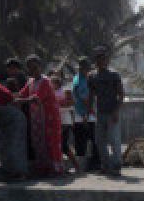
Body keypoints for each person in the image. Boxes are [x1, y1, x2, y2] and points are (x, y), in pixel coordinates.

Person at [16, 55, 64, 176]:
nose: (33, 70)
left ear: (40, 67)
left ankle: (56, 169)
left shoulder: (46, 82)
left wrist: (20, 101)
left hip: (49, 118)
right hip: (37, 119)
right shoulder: (31, 81)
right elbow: (22, 94)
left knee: (51, 143)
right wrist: (7, 96)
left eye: (35, 67)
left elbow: (36, 98)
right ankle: (44, 168)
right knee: (38, 143)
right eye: (30, 68)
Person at [89, 46, 125, 175]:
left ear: (107, 59)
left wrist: (116, 111)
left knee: (114, 139)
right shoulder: (92, 76)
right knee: (99, 141)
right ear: (95, 60)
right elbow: (91, 94)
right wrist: (89, 110)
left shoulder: (114, 75)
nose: (101, 60)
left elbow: (121, 94)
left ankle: (116, 166)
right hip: (100, 112)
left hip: (111, 112)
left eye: (103, 58)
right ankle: (105, 165)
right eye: (98, 58)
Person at [70, 57, 97, 170]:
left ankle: (92, 164)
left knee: (91, 140)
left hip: (87, 114)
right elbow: (84, 98)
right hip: (83, 114)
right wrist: (88, 112)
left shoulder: (86, 78)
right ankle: (82, 165)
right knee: (82, 140)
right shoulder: (79, 80)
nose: (85, 70)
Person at [52, 69, 81, 172]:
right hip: (57, 121)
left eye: (53, 83)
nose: (52, 85)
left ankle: (76, 165)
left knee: (63, 145)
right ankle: (63, 166)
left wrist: (72, 121)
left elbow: (72, 105)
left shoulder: (65, 91)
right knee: (59, 145)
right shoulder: (52, 92)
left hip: (65, 121)